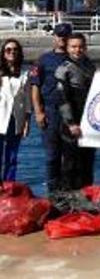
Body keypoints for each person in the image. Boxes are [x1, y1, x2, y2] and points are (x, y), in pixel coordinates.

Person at [30, 23, 72, 193]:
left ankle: (69, 192)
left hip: (72, 113)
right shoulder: (44, 60)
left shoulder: (77, 58)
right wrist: (38, 112)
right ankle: (53, 193)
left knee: (70, 155)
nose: (62, 38)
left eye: (66, 35)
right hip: (51, 111)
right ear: (54, 37)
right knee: (52, 156)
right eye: (59, 35)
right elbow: (35, 86)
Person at [54, 33, 97, 190]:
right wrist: (71, 123)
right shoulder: (63, 69)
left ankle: (87, 196)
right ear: (67, 48)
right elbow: (61, 98)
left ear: (85, 48)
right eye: (73, 46)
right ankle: (68, 199)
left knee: (87, 162)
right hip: (70, 123)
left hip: (88, 122)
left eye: (80, 46)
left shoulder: (90, 66)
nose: (77, 50)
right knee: (70, 163)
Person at [0, 39, 32, 181]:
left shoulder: (25, 74)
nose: (12, 52)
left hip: (16, 118)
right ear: (3, 53)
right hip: (1, 116)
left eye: (15, 50)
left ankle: (9, 183)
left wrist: (27, 122)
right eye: (8, 50)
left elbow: (27, 101)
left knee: (12, 156)